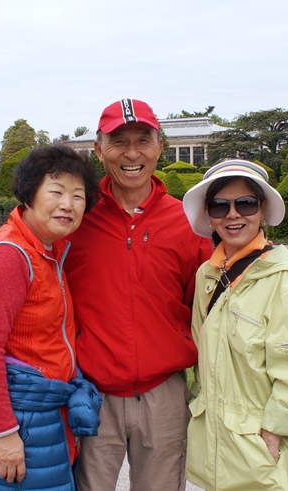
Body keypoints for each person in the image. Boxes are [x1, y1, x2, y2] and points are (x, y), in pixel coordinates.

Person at [64, 98, 213, 491]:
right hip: (92, 394)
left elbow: (206, 308)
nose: (132, 153)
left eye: (143, 140)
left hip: (163, 394)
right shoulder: (76, 219)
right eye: (119, 141)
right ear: (98, 150)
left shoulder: (188, 223)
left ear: (159, 146)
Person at [0, 145, 103, 491]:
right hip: (20, 420)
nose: (68, 204)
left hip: (42, 416)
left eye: (78, 196)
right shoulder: (11, 256)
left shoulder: (47, 251)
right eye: (56, 192)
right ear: (29, 194)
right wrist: (3, 432)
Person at [181, 160, 288, 490]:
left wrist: (274, 432)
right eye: (220, 206)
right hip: (220, 446)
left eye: (245, 203)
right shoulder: (207, 275)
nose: (232, 215)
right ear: (209, 215)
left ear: (262, 209)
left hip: (265, 450)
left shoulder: (285, 282)